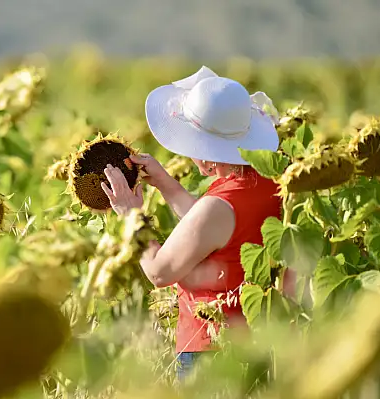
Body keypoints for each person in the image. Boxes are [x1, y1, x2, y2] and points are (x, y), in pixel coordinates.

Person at [99, 66, 293, 381]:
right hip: (259, 345)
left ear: (206, 156)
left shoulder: (219, 205)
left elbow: (159, 271)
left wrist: (130, 215)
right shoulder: (270, 183)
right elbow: (213, 232)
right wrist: (163, 182)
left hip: (210, 349)